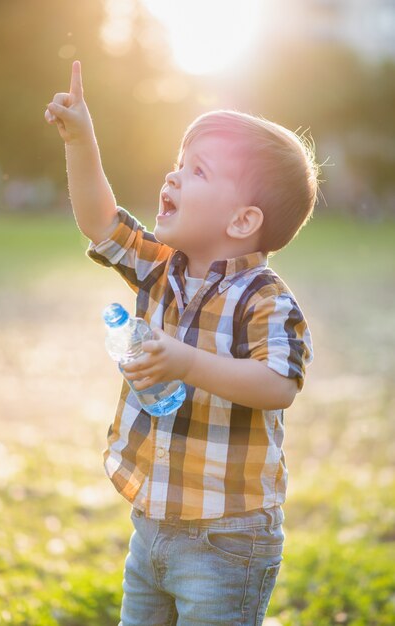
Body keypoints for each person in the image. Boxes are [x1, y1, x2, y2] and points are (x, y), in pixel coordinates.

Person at [45, 59, 318, 626]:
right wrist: (81, 138)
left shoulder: (264, 299)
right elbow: (101, 221)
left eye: (196, 171)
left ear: (243, 221)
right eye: (177, 165)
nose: (171, 178)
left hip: (229, 538)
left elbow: (278, 385)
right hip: (153, 523)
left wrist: (188, 362)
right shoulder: (159, 270)